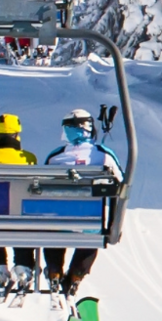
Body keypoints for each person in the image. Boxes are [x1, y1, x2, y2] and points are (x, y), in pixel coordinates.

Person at [41, 108, 120, 296]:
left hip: (57, 222)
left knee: (54, 231)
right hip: (90, 222)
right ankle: (77, 274)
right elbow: (119, 181)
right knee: (92, 234)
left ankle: (54, 270)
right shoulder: (103, 155)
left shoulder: (56, 157)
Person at [0, 114, 40, 300]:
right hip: (20, 216)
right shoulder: (28, 158)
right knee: (23, 222)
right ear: (16, 134)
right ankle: (23, 266)